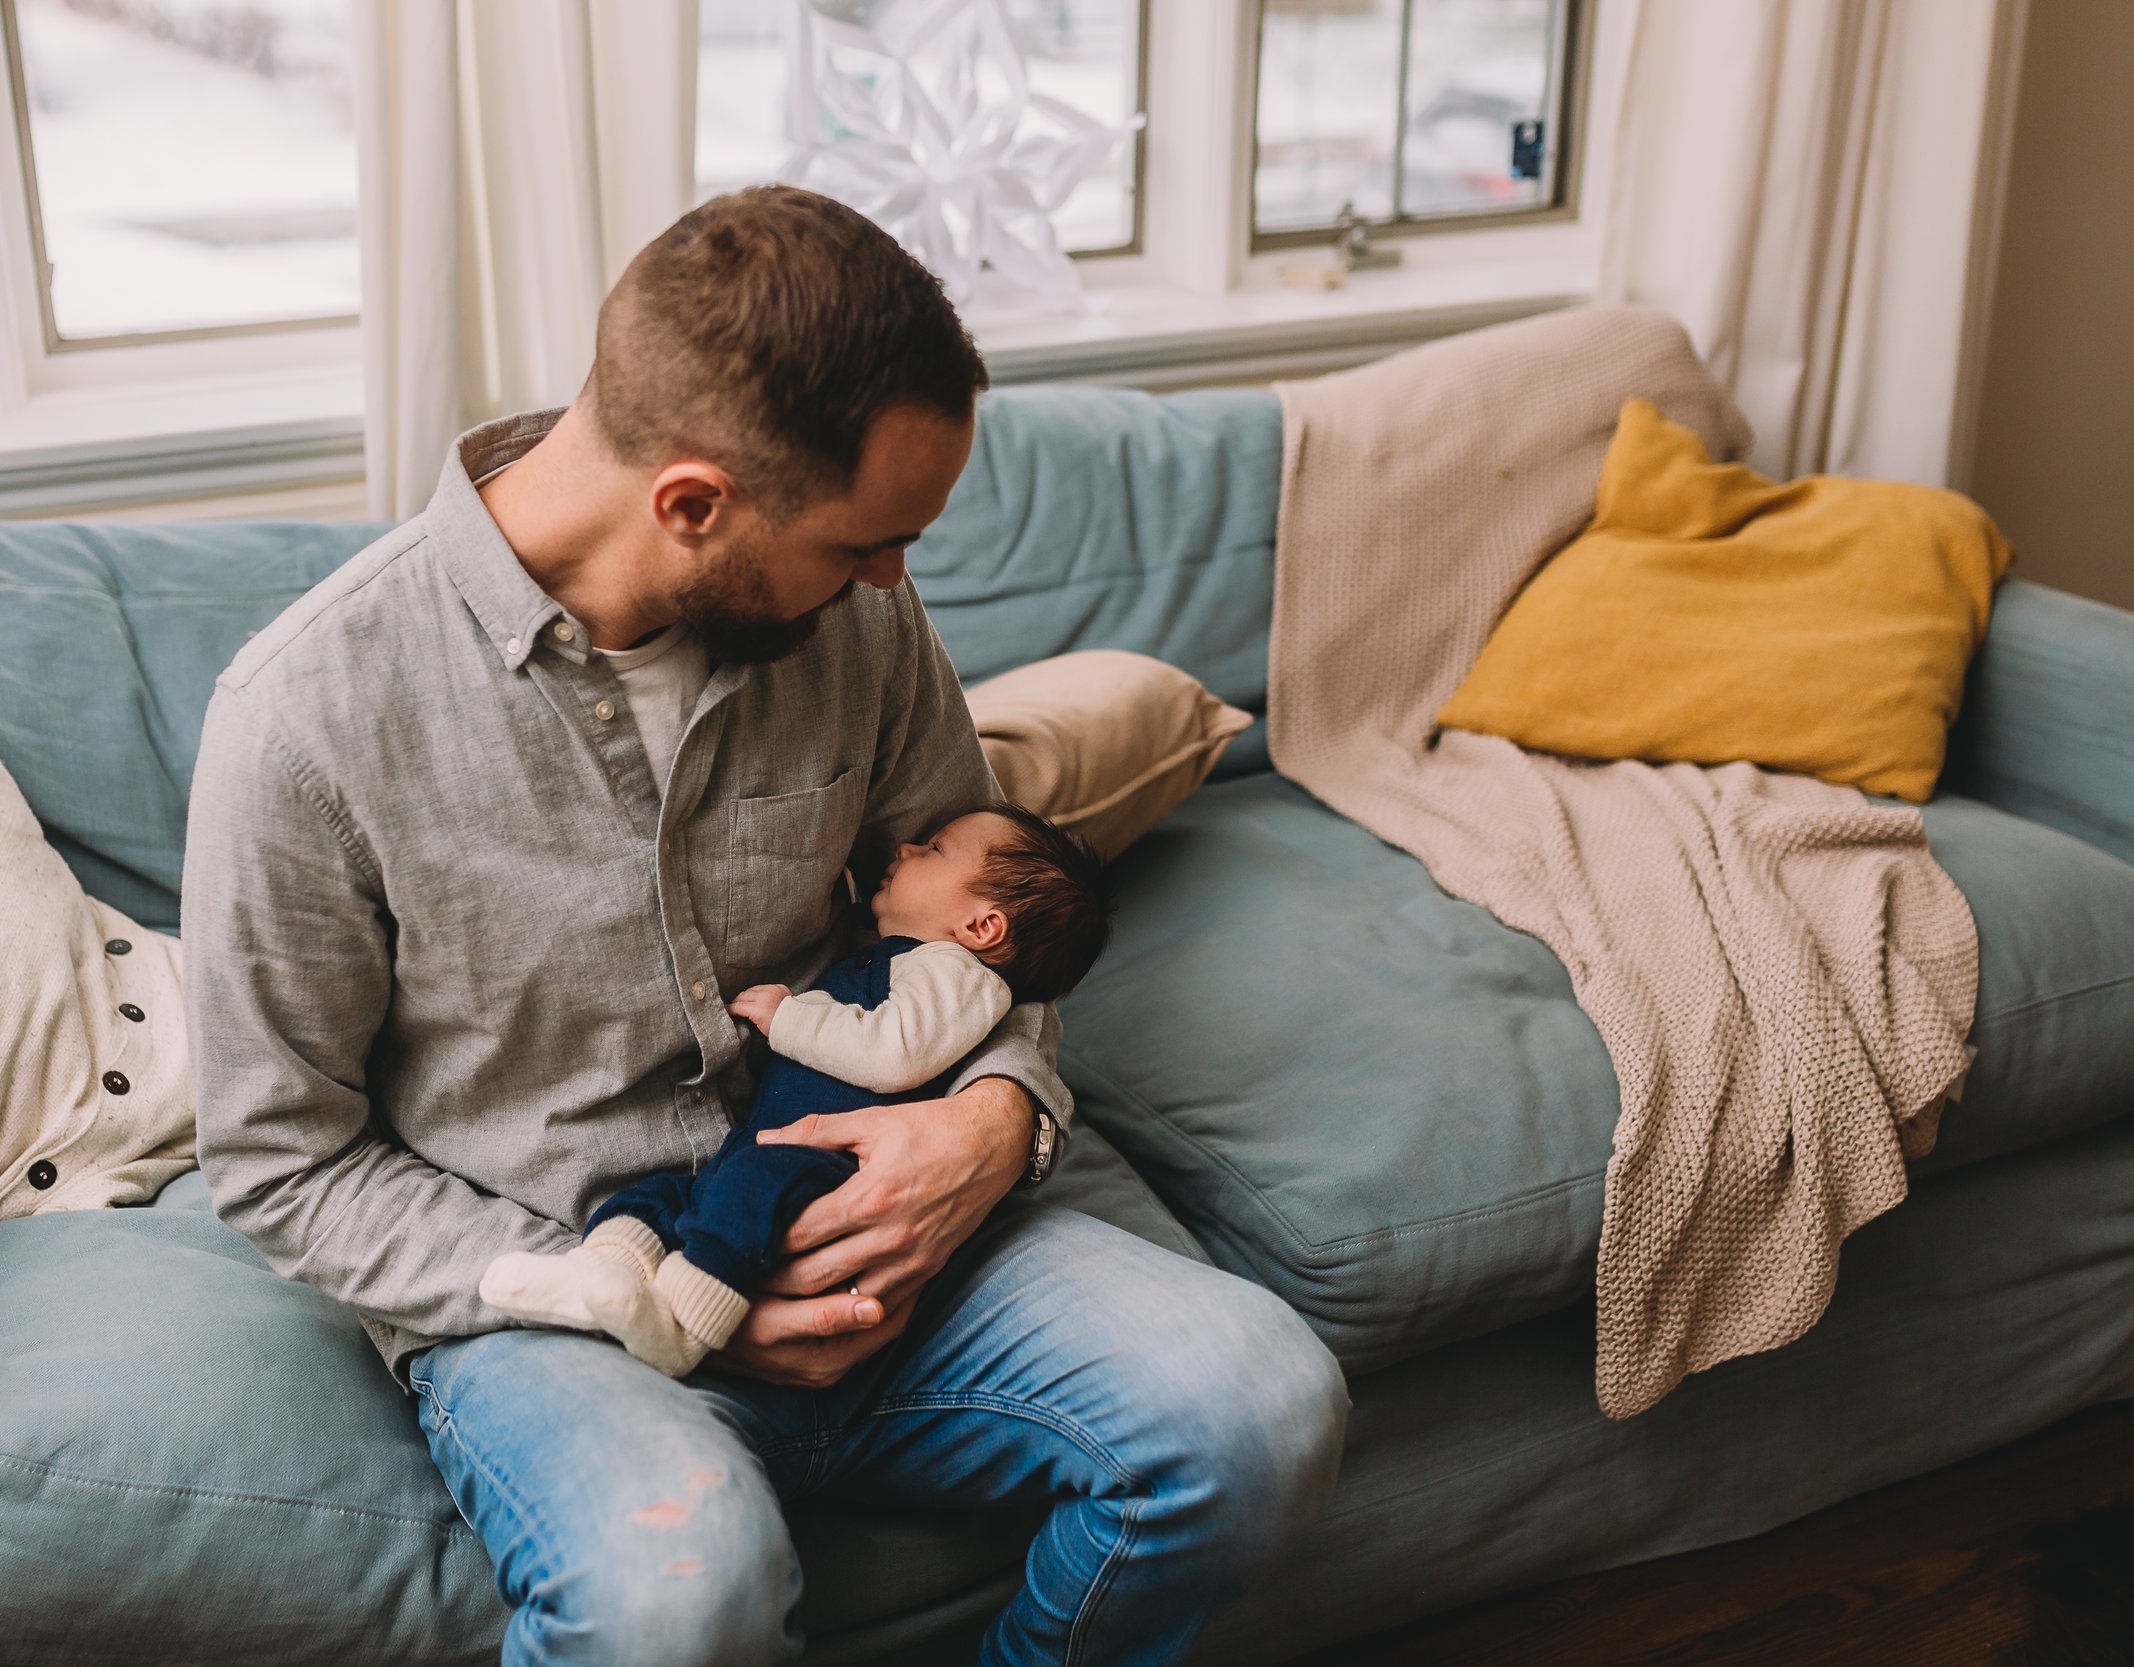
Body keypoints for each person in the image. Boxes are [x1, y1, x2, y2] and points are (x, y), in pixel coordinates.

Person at [183, 184, 1349, 1667]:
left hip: (894, 1237)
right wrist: (658, 1303)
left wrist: (997, 1119)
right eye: (866, 543)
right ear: (691, 504)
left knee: (1260, 1408)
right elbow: (283, 1159)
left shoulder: (858, 626)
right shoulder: (306, 719)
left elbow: (981, 927)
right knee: (681, 1597)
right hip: (573, 1284)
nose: (896, 581)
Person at [480, 805, 1113, 1377]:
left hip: (828, 1164)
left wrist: (789, 1018)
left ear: (983, 927)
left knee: (742, 1197)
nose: (905, 850)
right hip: (769, 1141)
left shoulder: (959, 976)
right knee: (664, 1196)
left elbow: (895, 1054)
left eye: (935, 850)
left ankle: (682, 1326)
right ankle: (600, 1276)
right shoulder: (906, 958)